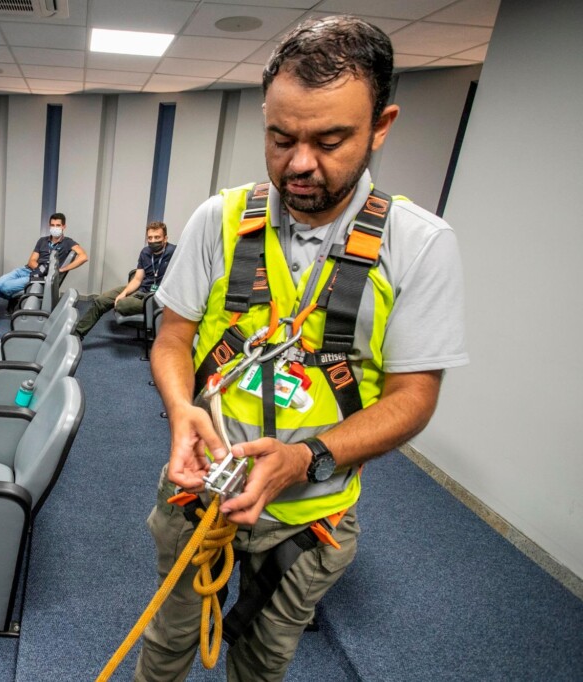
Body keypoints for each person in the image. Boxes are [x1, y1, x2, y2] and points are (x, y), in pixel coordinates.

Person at [135, 16, 468, 681]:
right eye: (281, 138)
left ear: (381, 125)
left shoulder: (420, 246)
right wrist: (180, 408)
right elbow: (174, 335)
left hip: (309, 521)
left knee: (261, 666)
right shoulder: (220, 219)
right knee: (165, 651)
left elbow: (414, 397)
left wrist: (304, 457)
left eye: (330, 139)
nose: (300, 163)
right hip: (199, 494)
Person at [74, 221, 175, 338]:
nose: (153, 241)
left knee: (121, 305)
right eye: (150, 238)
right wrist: (124, 293)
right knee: (101, 301)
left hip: (156, 297)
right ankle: (78, 333)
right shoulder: (145, 252)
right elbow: (137, 279)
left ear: (165, 238)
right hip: (142, 289)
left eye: (157, 237)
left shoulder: (174, 252)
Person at [0, 212, 88, 300]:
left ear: (63, 227)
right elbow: (32, 260)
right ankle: (17, 300)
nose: (55, 228)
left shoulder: (68, 242)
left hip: (40, 277)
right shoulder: (42, 240)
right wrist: (40, 269)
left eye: (58, 225)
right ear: (49, 226)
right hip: (27, 270)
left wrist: (63, 269)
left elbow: (83, 257)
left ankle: (18, 300)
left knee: (6, 287)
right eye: (52, 225)